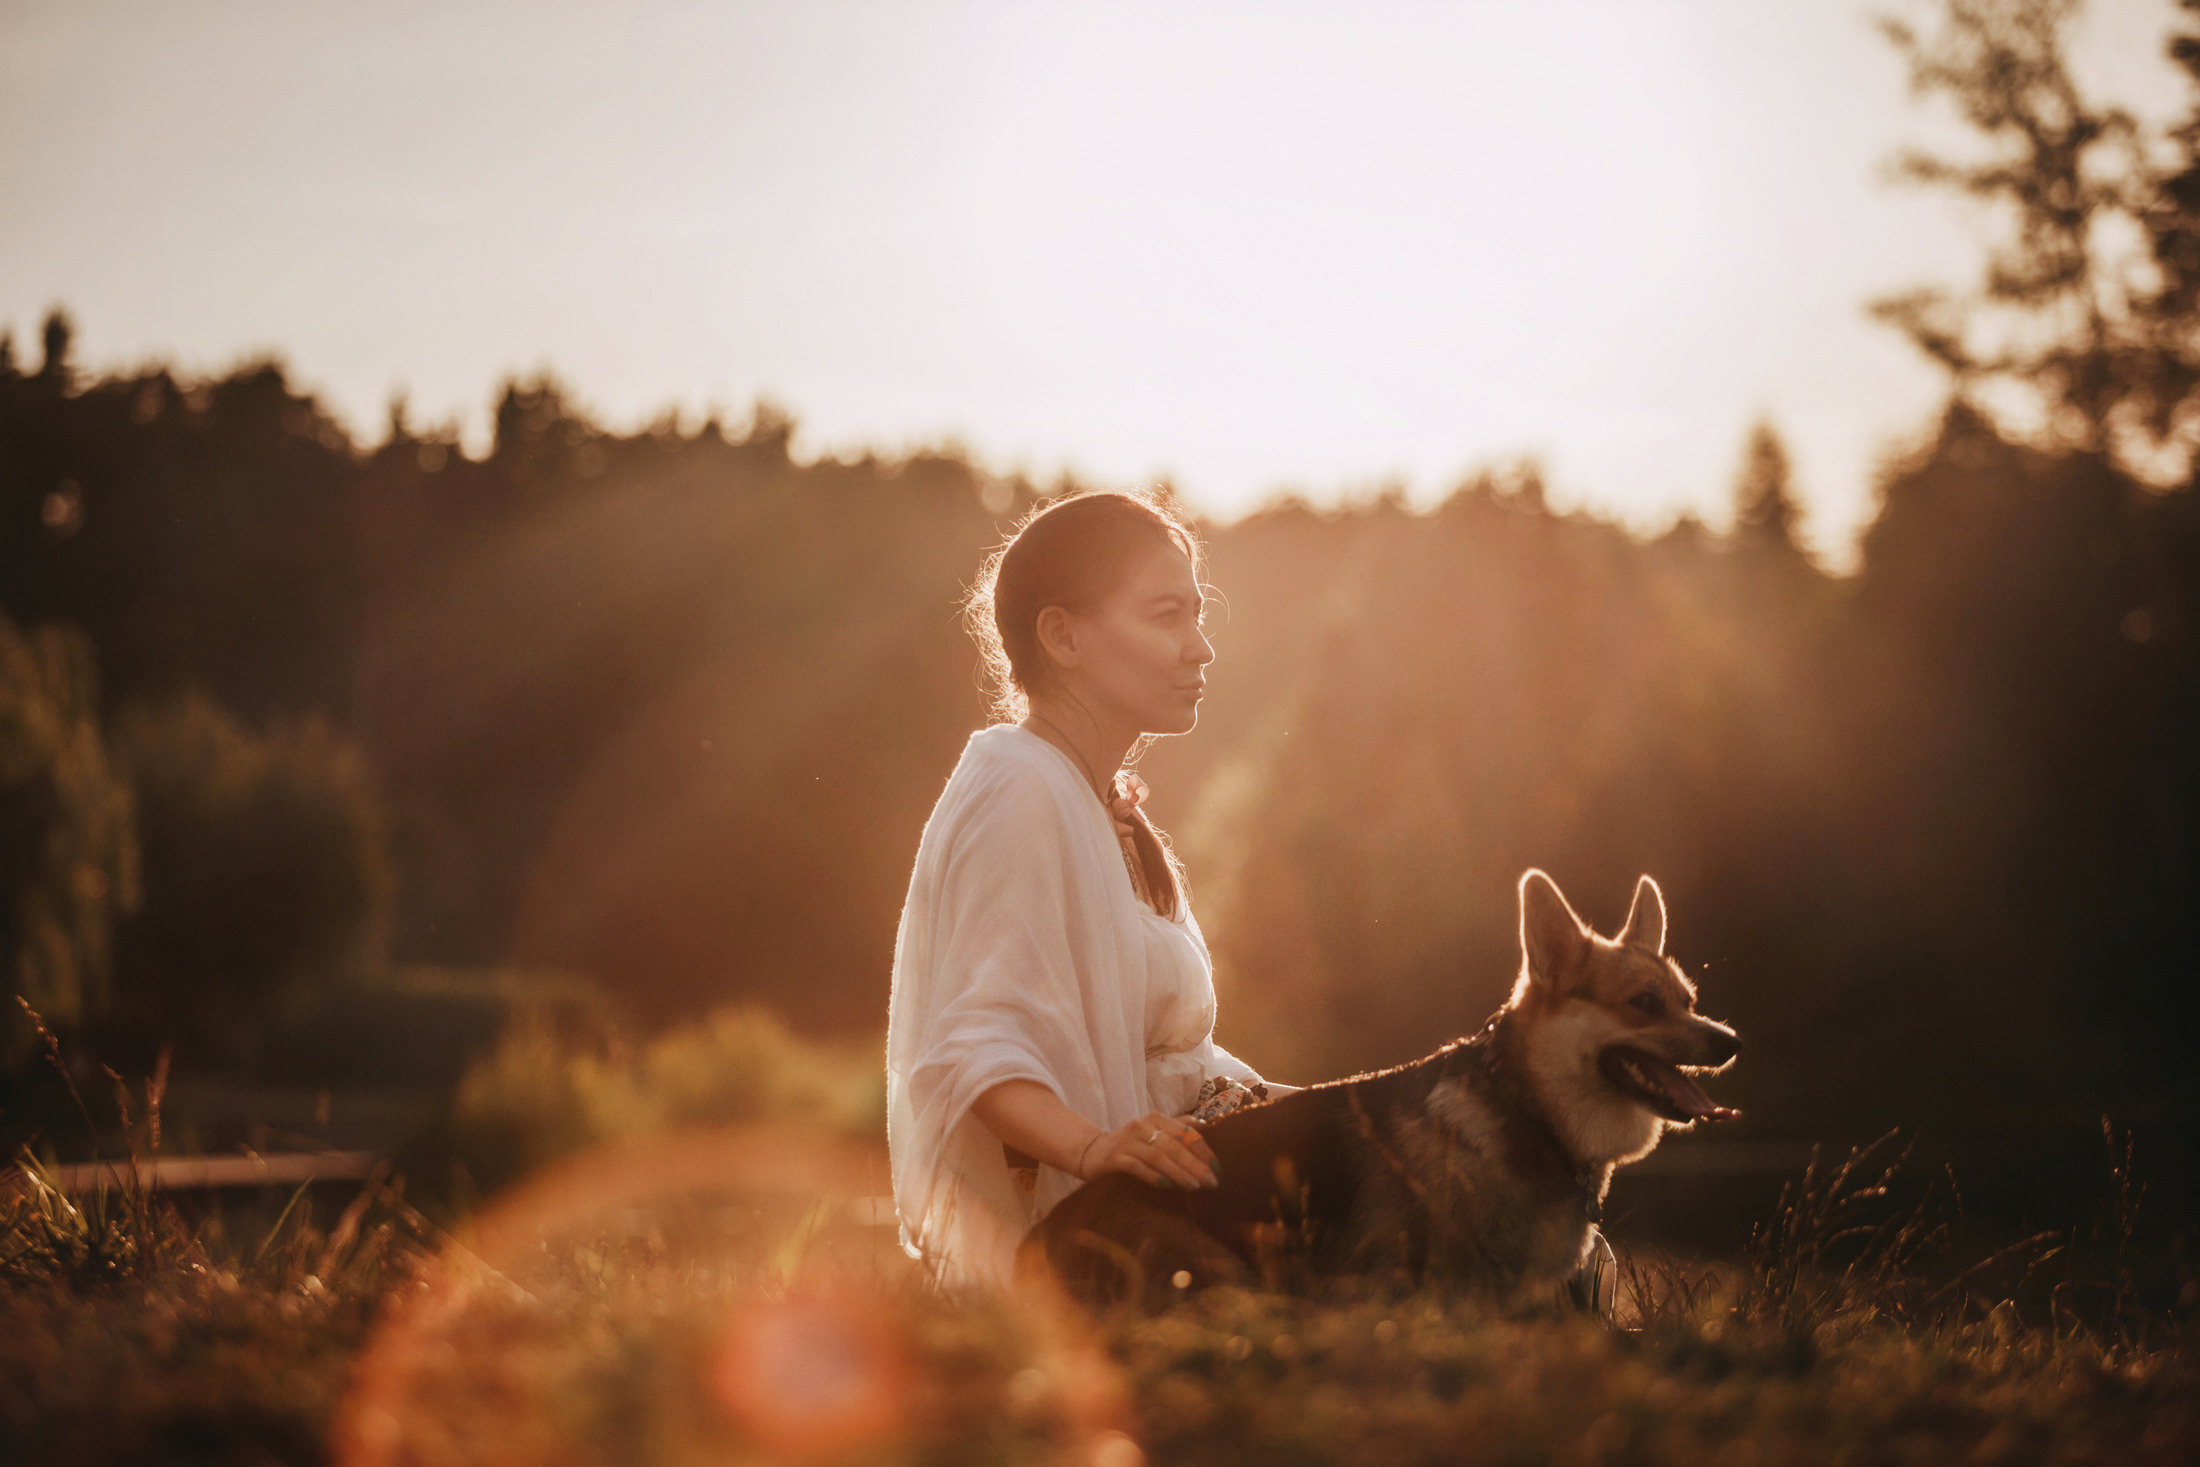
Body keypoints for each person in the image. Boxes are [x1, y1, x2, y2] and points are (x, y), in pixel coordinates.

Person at [884, 489, 1291, 1292]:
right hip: (1078, 1258)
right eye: (1167, 615)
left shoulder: (1098, 806)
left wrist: (1320, 1113)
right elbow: (975, 1046)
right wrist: (1095, 1149)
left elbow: (1176, 1064)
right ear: (1062, 635)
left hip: (1161, 1221)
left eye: (1198, 615)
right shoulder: (1020, 790)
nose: (1200, 647)